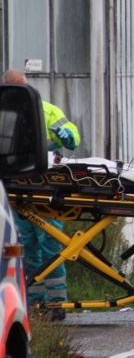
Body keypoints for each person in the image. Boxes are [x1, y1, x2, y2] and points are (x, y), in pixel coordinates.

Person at [4, 69, 80, 320]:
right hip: (15, 189)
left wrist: (67, 136)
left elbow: (73, 139)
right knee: (25, 246)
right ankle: (34, 300)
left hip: (43, 187)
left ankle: (56, 302)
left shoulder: (47, 111)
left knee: (48, 242)